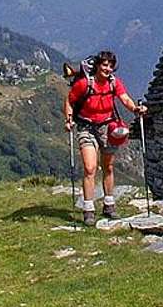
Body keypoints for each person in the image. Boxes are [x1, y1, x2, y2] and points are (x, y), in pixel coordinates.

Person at [63, 50, 147, 226]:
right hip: (86, 127)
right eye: (104, 65)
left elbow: (125, 98)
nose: (108, 69)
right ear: (97, 66)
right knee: (90, 167)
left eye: (110, 66)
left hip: (107, 127)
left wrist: (135, 110)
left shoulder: (113, 83)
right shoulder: (84, 84)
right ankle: (88, 210)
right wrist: (69, 119)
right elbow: (70, 101)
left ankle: (109, 205)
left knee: (108, 166)